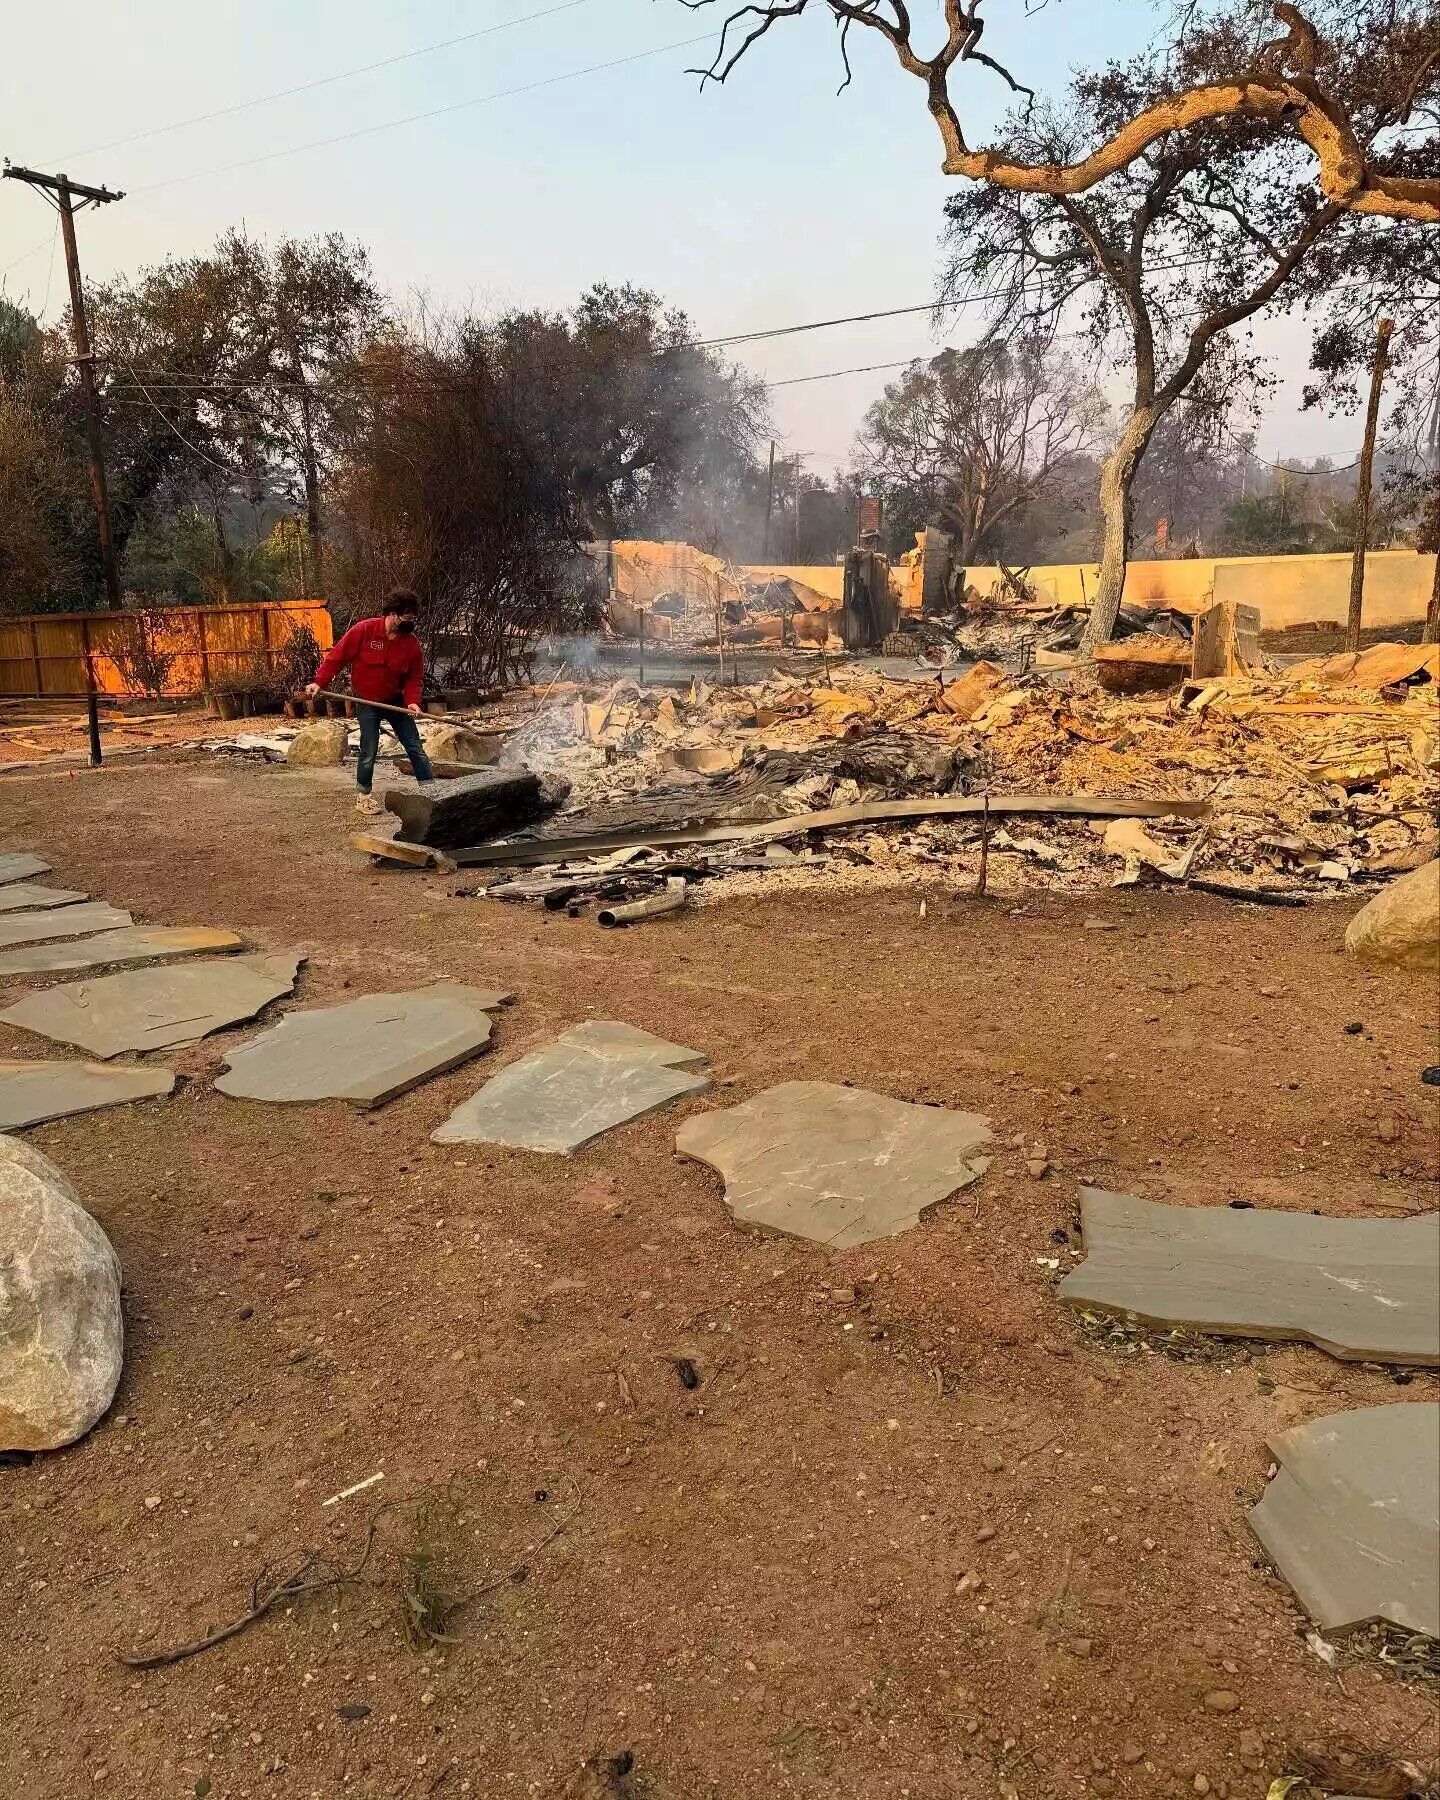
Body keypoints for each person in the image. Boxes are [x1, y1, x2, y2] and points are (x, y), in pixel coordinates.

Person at [307, 589, 435, 815]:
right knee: (369, 750)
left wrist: (413, 702)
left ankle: (433, 794)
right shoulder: (364, 631)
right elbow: (337, 657)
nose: (411, 623)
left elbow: (415, 678)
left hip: (396, 703)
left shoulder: (411, 644)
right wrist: (319, 682)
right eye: (408, 618)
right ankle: (363, 797)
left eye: (414, 618)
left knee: (414, 747)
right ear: (393, 614)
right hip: (366, 701)